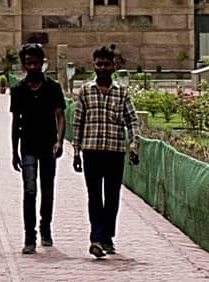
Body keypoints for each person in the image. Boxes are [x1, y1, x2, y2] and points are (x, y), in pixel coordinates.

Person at [72, 46, 140, 259]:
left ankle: (106, 237)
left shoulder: (122, 93)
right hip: (91, 151)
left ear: (113, 66)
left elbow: (132, 121)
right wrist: (75, 151)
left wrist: (134, 145)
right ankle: (97, 238)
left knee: (111, 197)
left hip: (114, 150)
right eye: (99, 64)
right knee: (94, 196)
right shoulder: (85, 91)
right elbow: (78, 122)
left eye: (106, 64)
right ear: (94, 65)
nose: (102, 68)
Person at [10, 43, 66, 254]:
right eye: (28, 62)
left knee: (47, 190)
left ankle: (45, 227)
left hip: (48, 145)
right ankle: (29, 235)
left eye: (36, 62)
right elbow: (16, 121)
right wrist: (13, 150)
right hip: (28, 146)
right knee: (29, 189)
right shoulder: (19, 90)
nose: (32, 66)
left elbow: (60, 116)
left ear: (42, 63)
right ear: (24, 64)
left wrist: (59, 141)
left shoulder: (53, 88)